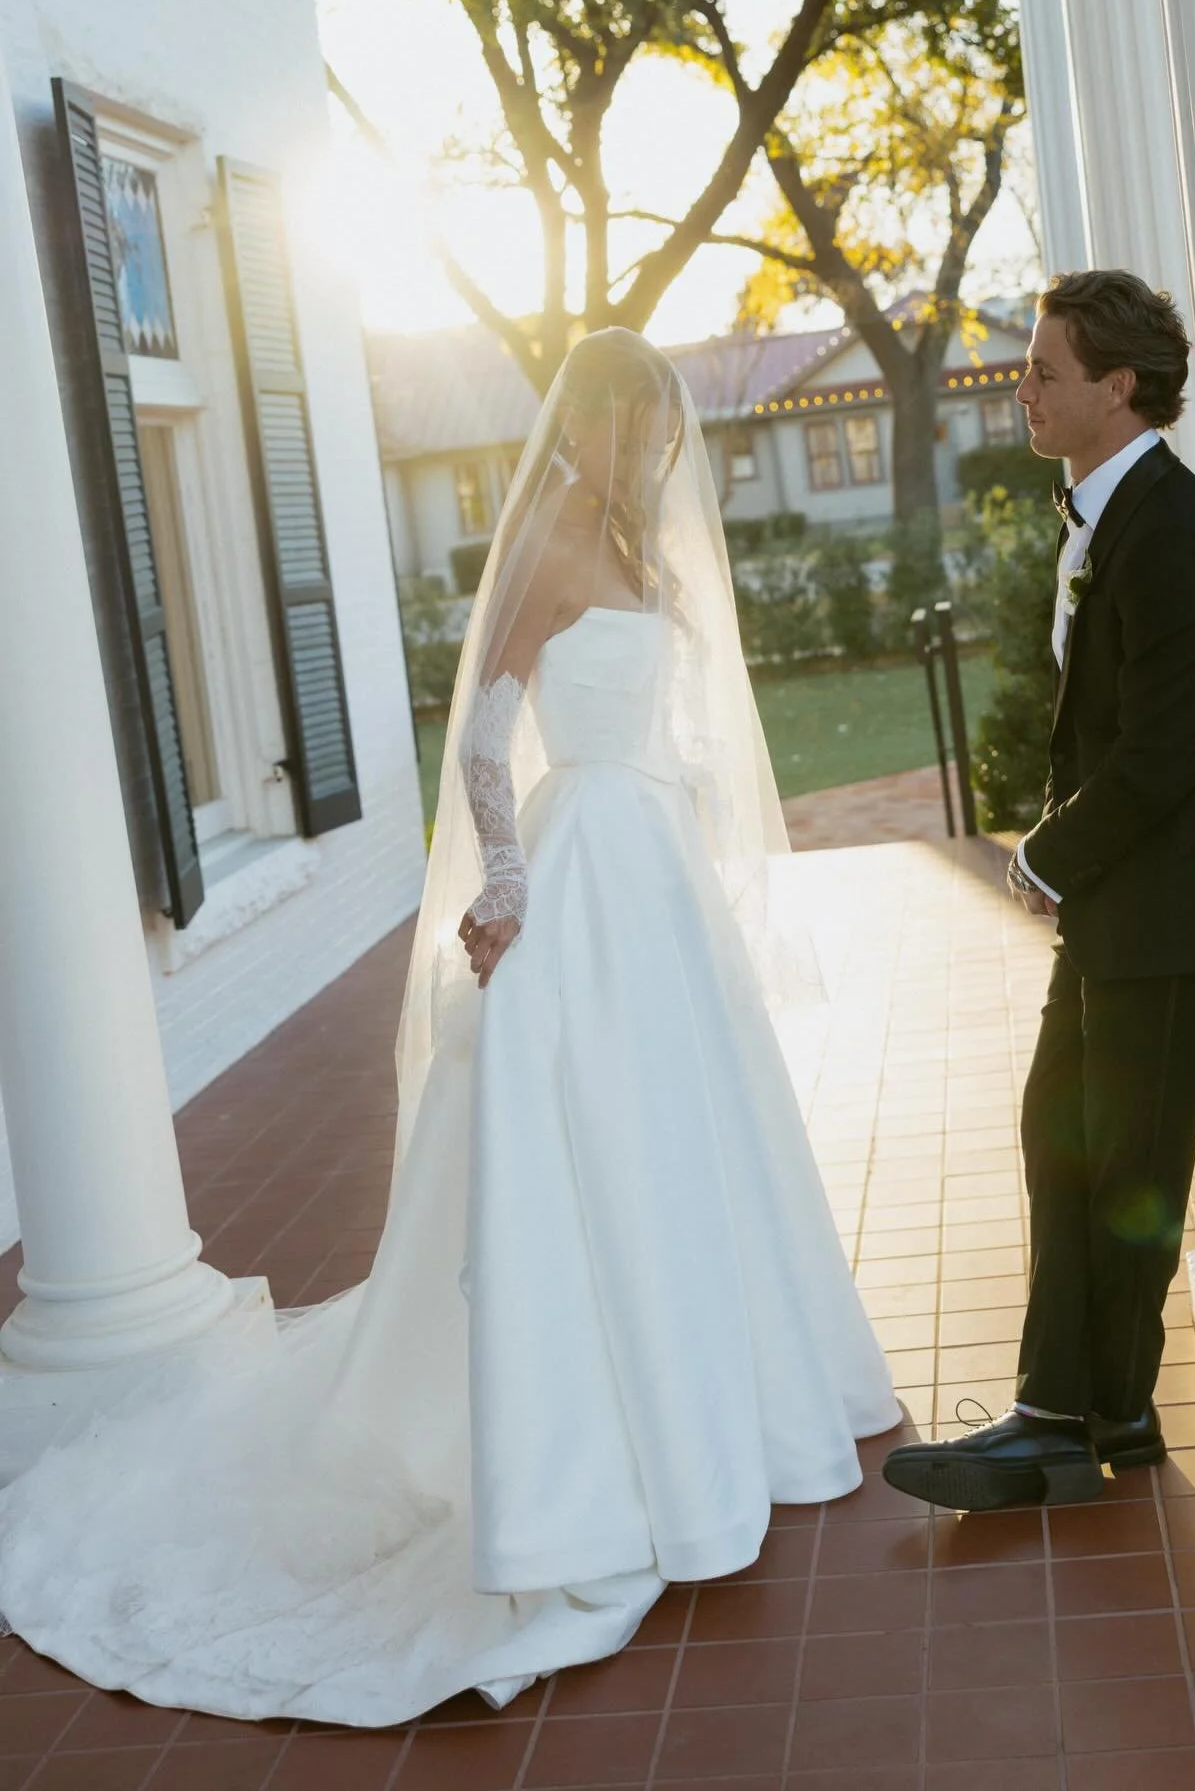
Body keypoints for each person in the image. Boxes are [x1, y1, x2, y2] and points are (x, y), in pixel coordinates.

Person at [0, 329, 898, 1722]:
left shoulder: (637, 535)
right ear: (587, 426)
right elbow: (483, 739)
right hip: (577, 871)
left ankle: (731, 1423)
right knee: (578, 1153)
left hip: (652, 873)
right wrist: (511, 873)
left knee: (686, 1140)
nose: (656, 454)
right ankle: (594, 1471)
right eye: (637, 429)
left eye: (665, 435)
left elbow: (680, 717)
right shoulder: (547, 534)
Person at [884, 270, 1195, 1515]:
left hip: (1184, 898)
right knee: (1060, 1133)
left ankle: (1096, 1424)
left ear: (1117, 388)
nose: (1020, 389)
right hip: (1131, 896)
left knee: (1125, 1161)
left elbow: (1165, 749)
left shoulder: (1182, 534)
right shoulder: (1111, 517)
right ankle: (1069, 1412)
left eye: (1042, 371)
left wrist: (1044, 853)